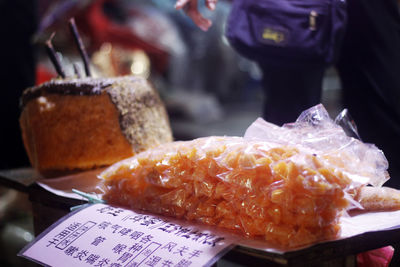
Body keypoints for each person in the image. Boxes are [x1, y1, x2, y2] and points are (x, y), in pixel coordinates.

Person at [175, 0, 400, 189]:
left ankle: (390, 228)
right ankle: (288, 230)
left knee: (387, 123)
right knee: (288, 141)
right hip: (293, 9)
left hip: (369, 8)